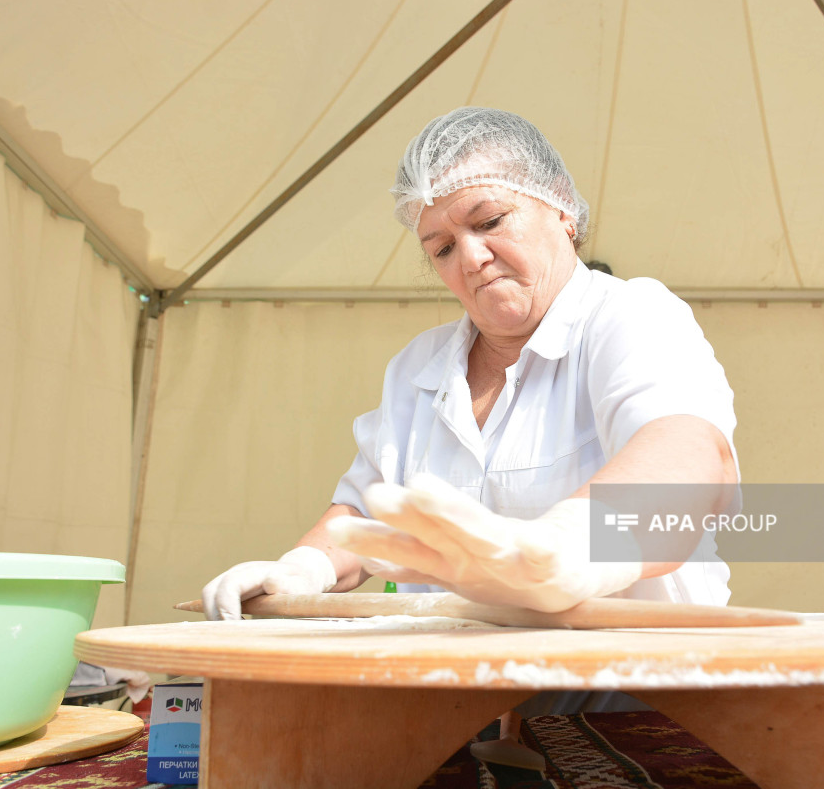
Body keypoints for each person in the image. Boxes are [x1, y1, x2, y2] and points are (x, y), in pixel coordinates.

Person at [203, 108, 739, 695]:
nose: (471, 258)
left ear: (561, 206)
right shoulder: (417, 368)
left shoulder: (628, 316)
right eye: (441, 249)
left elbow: (688, 454)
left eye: (490, 221)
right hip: (450, 704)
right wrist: (303, 567)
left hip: (635, 703)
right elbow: (366, 512)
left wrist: (566, 545)